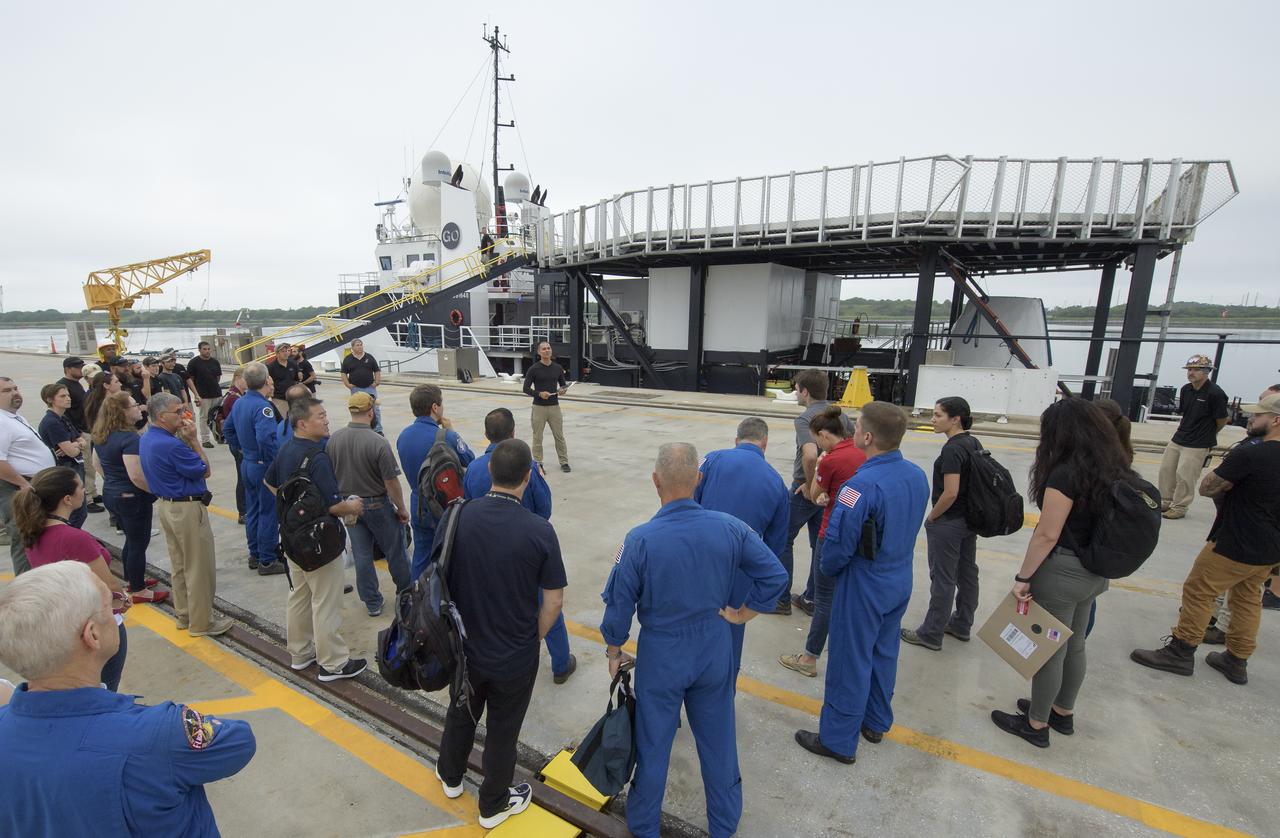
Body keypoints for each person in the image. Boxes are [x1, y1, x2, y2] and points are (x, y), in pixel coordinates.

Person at [601, 442, 787, 838]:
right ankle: (723, 826)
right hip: (714, 648)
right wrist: (742, 614)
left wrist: (614, 649)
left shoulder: (639, 540)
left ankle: (644, 826)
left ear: (655, 481)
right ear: (698, 480)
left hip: (662, 655)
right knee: (718, 742)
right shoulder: (731, 527)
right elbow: (775, 574)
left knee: (654, 746)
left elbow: (619, 604)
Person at [0, 561, 256, 835]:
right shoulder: (159, 732)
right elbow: (238, 742)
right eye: (110, 602)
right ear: (92, 635)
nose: (118, 609)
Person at [435, 439, 568, 830]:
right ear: (528, 478)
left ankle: (450, 774)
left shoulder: (458, 516)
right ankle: (492, 803)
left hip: (464, 646)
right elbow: (554, 601)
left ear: (490, 473)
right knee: (503, 729)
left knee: (462, 710)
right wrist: (535, 638)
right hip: (513, 653)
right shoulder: (539, 531)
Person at [988, 398, 1133, 748]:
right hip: (1094, 570)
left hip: (1064, 571)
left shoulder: (1066, 473)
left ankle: (1036, 724)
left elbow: (1047, 533)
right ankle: (1062, 712)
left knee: (1048, 648)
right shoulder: (1114, 464)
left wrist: (1023, 577)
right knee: (1076, 642)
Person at [794, 401, 928, 764]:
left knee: (848, 659)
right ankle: (875, 721)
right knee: (884, 651)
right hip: (899, 576)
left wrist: (830, 571)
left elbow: (837, 546)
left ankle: (837, 739)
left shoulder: (859, 487)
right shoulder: (916, 475)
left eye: (856, 430)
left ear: (867, 437)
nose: (851, 434)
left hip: (864, 581)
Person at [1130, 392, 1280, 687]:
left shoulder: (1251, 453)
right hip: (1270, 547)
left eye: (1259, 415)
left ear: (1276, 420)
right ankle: (1237, 659)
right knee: (1248, 597)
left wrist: (1226, 476)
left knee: (1199, 590)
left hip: (1234, 542)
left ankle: (1181, 651)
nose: (1251, 418)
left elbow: (1208, 487)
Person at [463, 407, 575, 683]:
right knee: (546, 604)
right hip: (526, 552)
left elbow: (468, 503)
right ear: (513, 433)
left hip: (484, 553)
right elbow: (544, 511)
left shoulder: (474, 468)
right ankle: (561, 664)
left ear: (486, 434)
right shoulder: (529, 468)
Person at [265, 396, 368, 682]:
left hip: (292, 539)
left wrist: (294, 512)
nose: (326, 419)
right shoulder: (318, 457)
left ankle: (300, 653)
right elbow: (333, 505)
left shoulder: (287, 449)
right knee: (325, 601)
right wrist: (354, 506)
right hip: (319, 542)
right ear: (302, 423)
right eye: (320, 416)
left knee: (299, 595)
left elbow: (270, 482)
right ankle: (333, 664)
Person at [13, 467, 131, 690]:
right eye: (80, 486)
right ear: (67, 499)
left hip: (63, 624)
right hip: (95, 624)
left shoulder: (32, 531)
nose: (84, 489)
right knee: (104, 689)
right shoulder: (74, 538)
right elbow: (108, 584)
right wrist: (122, 599)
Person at [693, 416, 789, 676]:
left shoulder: (711, 460)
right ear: (765, 444)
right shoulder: (778, 484)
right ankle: (721, 703)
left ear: (736, 440)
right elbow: (775, 547)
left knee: (689, 632)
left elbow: (688, 502)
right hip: (741, 573)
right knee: (729, 640)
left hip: (700, 562)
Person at [778, 406, 867, 678]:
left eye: (817, 438)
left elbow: (815, 494)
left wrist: (818, 468)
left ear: (825, 434)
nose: (816, 444)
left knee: (825, 599)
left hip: (832, 533)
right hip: (857, 533)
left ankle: (808, 658)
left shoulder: (830, 460)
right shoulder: (862, 454)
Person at [140, 393, 231, 637]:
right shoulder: (171, 445)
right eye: (178, 412)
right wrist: (194, 441)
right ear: (161, 417)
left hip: (167, 506)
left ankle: (185, 614)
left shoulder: (149, 438)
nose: (183, 415)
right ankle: (202, 622)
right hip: (187, 508)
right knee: (198, 566)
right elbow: (204, 470)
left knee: (180, 565)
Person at [901, 397, 982, 651]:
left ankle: (931, 632)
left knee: (943, 578)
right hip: (969, 520)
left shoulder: (952, 450)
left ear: (955, 418)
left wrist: (933, 516)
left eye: (937, 415)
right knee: (967, 573)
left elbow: (950, 492)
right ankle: (962, 623)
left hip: (949, 521)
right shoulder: (973, 442)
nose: (933, 420)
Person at [327, 392, 412, 618]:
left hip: (349, 506)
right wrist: (401, 508)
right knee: (396, 552)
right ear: (371, 412)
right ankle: (407, 595)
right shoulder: (378, 442)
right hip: (377, 505)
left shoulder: (334, 439)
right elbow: (391, 481)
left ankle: (372, 602)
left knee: (363, 556)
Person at [778, 369, 853, 616]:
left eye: (797, 389)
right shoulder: (841, 416)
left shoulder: (805, 419)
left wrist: (811, 488)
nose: (796, 393)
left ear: (805, 391)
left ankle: (781, 599)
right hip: (832, 491)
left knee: (782, 538)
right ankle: (812, 598)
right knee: (818, 544)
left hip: (806, 489)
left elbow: (810, 454)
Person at [94, 391, 167, 604]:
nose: (139, 408)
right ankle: (138, 589)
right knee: (138, 542)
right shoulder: (129, 439)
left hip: (112, 492)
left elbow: (97, 463)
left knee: (130, 539)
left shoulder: (102, 434)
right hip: (131, 497)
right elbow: (136, 474)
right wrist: (157, 491)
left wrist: (114, 483)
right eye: (134, 405)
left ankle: (132, 577)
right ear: (123, 412)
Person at [396, 384, 474, 580]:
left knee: (421, 556)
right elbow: (470, 461)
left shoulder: (403, 436)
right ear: (435, 407)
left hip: (418, 504)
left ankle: (418, 599)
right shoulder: (446, 436)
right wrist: (452, 430)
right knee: (450, 554)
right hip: (444, 506)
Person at [223, 362, 285, 575]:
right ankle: (267, 560)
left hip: (248, 463)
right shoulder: (263, 407)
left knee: (253, 509)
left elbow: (227, 428)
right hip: (262, 465)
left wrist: (241, 448)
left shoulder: (240, 403)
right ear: (266, 380)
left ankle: (255, 553)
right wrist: (273, 462)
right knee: (268, 512)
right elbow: (266, 438)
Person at [1158, 354, 1229, 520]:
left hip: (1198, 441)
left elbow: (1222, 419)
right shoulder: (1186, 390)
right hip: (1180, 436)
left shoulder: (1215, 393)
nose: (1191, 373)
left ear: (1207, 372)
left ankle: (1180, 506)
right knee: (1166, 469)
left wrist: (1209, 433)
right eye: (1189, 369)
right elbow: (1186, 413)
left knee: (1185, 474)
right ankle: (1166, 500)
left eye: (1196, 370)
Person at [0, 377, 56, 575]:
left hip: (32, 483)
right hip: (17, 487)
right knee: (25, 537)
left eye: (16, 388)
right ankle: (27, 587)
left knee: (38, 536)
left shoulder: (13, 417)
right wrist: (23, 484)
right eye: (7, 391)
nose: (15, 393)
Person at [36, 383, 89, 528]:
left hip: (75, 465)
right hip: (66, 469)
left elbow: (82, 439)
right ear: (50, 400)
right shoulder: (52, 422)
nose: (68, 399)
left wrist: (76, 444)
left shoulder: (63, 418)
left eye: (68, 395)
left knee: (80, 510)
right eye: (62, 396)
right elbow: (72, 451)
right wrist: (75, 446)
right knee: (77, 512)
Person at [58, 356, 104, 511]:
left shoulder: (77, 384)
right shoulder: (63, 386)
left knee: (91, 465)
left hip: (87, 428)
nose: (80, 369)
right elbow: (65, 413)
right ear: (68, 369)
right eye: (77, 367)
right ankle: (88, 500)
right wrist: (75, 433)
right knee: (85, 466)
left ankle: (92, 492)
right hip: (80, 431)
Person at [523, 341, 570, 472]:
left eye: (548, 348)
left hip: (554, 407)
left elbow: (563, 385)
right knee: (538, 437)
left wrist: (562, 390)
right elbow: (525, 388)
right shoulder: (534, 369)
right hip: (539, 408)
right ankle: (538, 463)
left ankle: (564, 462)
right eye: (543, 349)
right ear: (539, 352)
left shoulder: (558, 368)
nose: (547, 351)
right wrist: (539, 394)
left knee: (559, 436)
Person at [220, 367, 248, 524]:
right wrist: (238, 445)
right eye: (246, 378)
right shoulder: (234, 398)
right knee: (243, 478)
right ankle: (243, 511)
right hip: (239, 444)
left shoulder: (238, 396)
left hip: (237, 443)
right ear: (238, 378)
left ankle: (245, 509)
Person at [185, 341, 224, 449]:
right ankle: (205, 439)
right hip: (203, 395)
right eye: (204, 349)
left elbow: (218, 377)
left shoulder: (215, 362)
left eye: (208, 349)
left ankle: (219, 436)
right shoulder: (193, 363)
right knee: (204, 417)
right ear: (199, 350)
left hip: (216, 393)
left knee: (217, 417)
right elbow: (190, 380)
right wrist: (196, 395)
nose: (207, 351)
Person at [341, 339, 382, 433]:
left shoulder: (369, 357)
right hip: (356, 389)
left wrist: (376, 382)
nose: (360, 347)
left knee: (375, 408)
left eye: (361, 345)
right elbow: (343, 373)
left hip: (370, 388)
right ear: (352, 347)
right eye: (357, 345)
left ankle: (378, 429)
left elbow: (376, 370)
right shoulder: (348, 359)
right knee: (357, 409)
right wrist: (348, 384)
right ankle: (360, 427)